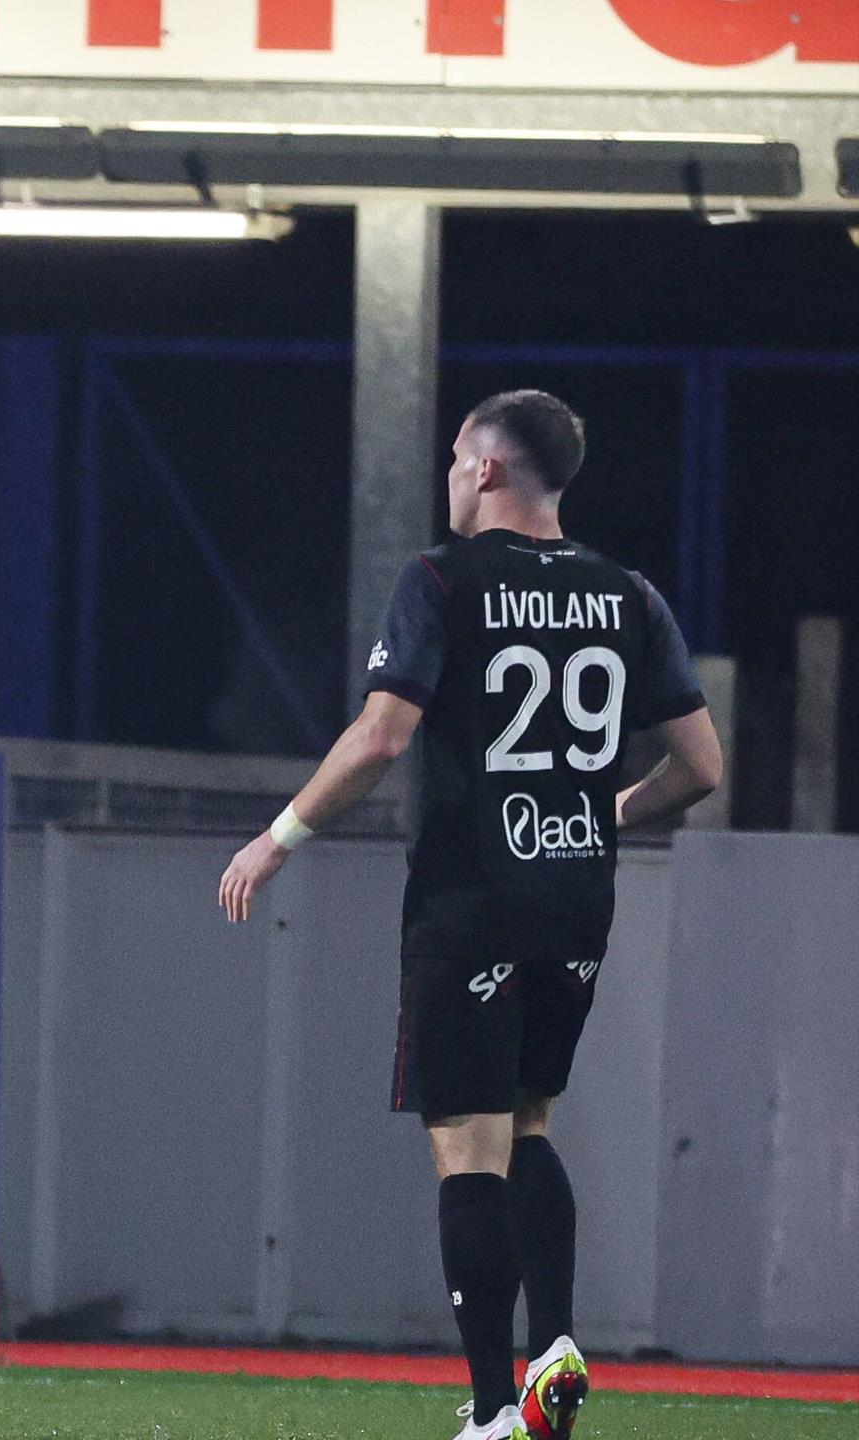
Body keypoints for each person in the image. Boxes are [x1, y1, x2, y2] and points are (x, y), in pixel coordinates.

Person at [217, 391, 724, 1440]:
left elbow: (381, 736)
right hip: (577, 895)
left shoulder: (439, 580)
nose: (449, 475)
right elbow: (701, 766)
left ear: (486, 470)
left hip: (472, 894)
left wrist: (278, 838)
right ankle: (558, 1345)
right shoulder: (627, 594)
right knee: (529, 1120)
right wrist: (602, 810)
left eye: (455, 458)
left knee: (466, 1146)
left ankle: (495, 1409)